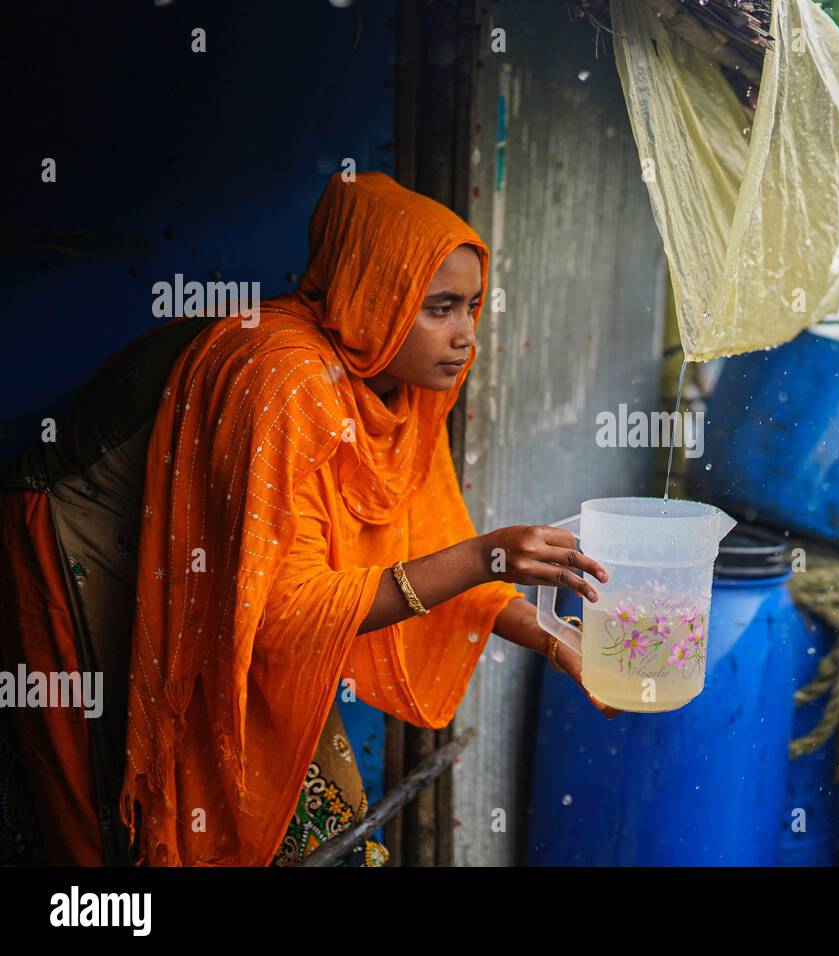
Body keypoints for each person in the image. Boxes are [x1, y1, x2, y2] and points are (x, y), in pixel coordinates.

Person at [0, 171, 615, 867]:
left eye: (473, 306)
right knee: (127, 785)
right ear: (375, 298)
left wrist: (555, 638)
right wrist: (485, 557)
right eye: (439, 307)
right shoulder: (285, 379)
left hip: (241, 574)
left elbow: (430, 545)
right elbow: (278, 615)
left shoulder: (400, 382)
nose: (465, 336)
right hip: (86, 530)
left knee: (288, 769)